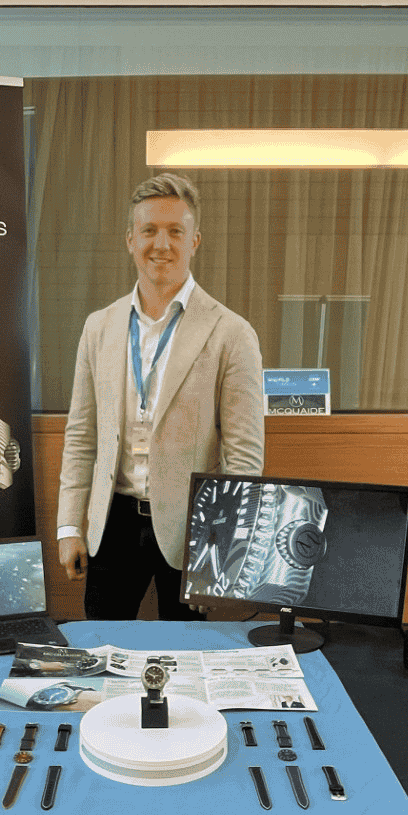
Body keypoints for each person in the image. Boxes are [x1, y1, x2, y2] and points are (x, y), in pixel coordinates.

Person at [56, 173, 265, 620]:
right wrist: (70, 525)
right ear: (131, 240)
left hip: (194, 527)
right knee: (104, 645)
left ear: (195, 241)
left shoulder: (231, 333)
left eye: (175, 231)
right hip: (111, 523)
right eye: (149, 230)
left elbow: (243, 457)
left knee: (186, 651)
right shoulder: (99, 327)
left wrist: (221, 548)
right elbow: (81, 437)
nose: (161, 244)